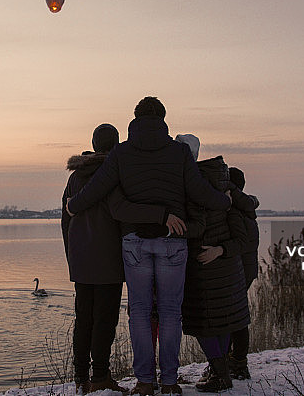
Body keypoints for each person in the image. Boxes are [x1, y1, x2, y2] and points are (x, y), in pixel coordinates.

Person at [66, 97, 233, 396]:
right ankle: (169, 382)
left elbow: (97, 188)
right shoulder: (179, 152)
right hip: (173, 240)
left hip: (135, 244)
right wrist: (226, 201)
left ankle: (144, 382)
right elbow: (199, 191)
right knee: (171, 313)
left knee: (140, 313)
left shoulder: (121, 153)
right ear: (164, 118)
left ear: (135, 118)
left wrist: (73, 206)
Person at [62, 123, 186, 395]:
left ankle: (80, 377)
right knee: (104, 320)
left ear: (93, 144)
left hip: (81, 259)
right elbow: (121, 211)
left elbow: (65, 219)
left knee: (83, 319)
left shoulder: (75, 176)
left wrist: (71, 255)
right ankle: (101, 376)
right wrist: (159, 216)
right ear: (117, 144)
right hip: (108, 260)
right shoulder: (113, 173)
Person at [174, 134, 253, 392]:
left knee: (202, 323)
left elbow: (200, 227)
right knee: (222, 322)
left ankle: (220, 374)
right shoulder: (223, 187)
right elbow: (242, 236)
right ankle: (221, 371)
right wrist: (222, 250)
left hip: (206, 269)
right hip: (226, 269)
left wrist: (218, 250)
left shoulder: (187, 186)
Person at [226, 166, 260, 381]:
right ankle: (237, 361)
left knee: (235, 319)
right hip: (246, 270)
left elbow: (239, 244)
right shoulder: (247, 210)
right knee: (237, 317)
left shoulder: (237, 212)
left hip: (239, 271)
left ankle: (237, 362)